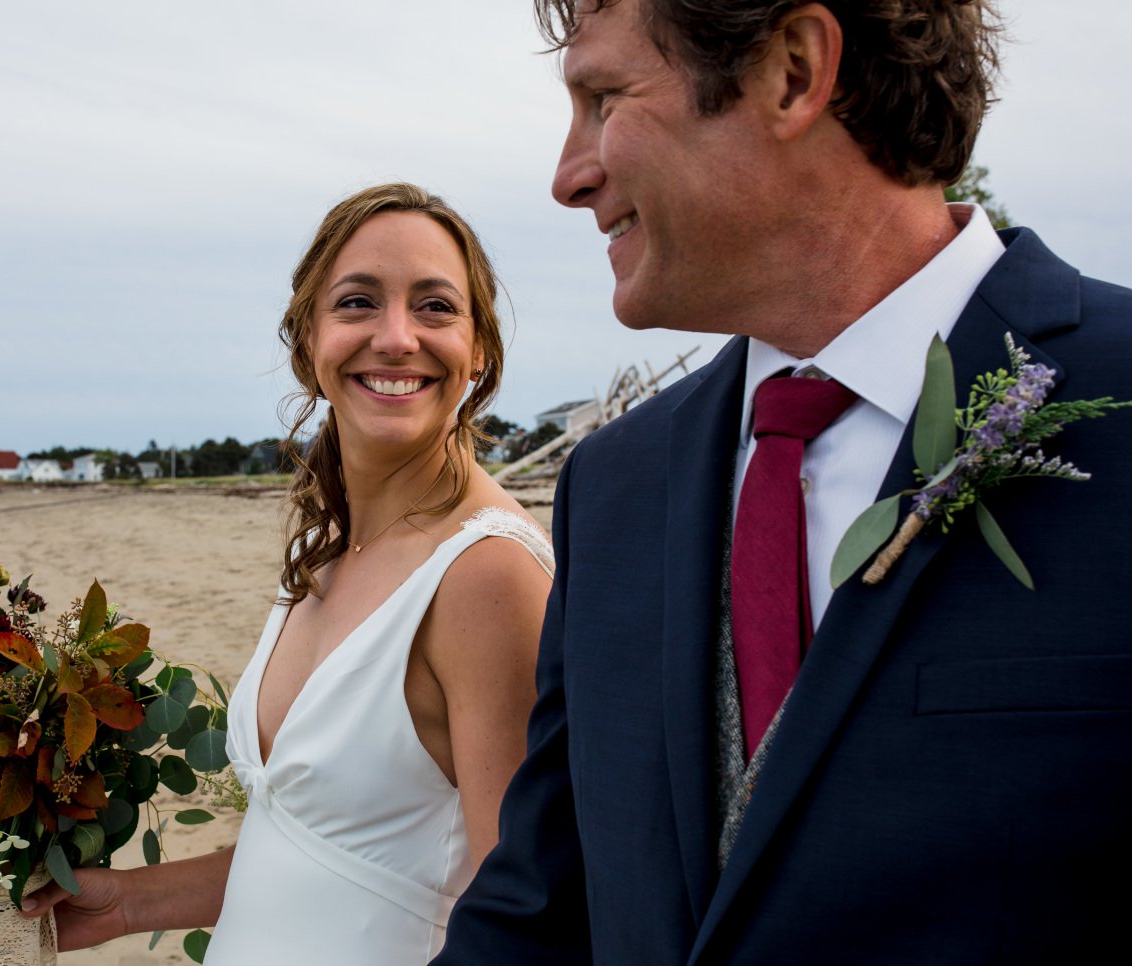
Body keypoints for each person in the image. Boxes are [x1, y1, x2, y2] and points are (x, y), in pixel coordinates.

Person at [434, 2, 1132, 963]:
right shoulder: (613, 485)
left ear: (794, 71)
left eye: (603, 98)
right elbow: (541, 908)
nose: (569, 176)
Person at [24, 183, 554, 964]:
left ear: (480, 350)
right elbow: (323, 853)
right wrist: (127, 900)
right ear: (309, 339)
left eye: (436, 306)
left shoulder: (486, 574)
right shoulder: (327, 557)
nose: (398, 337)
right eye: (358, 303)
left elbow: (522, 914)